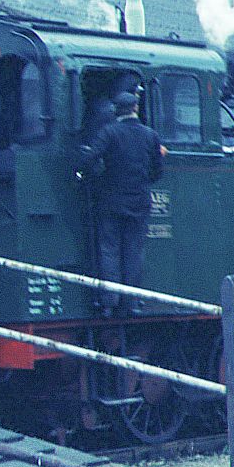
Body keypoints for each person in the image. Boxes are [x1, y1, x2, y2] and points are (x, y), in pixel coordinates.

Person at [78, 90, 163, 311]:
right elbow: (157, 172)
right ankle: (133, 301)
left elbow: (88, 159)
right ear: (135, 108)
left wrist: (99, 177)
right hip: (139, 201)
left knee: (109, 250)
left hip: (111, 201)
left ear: (116, 111)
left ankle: (109, 301)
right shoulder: (150, 135)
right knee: (134, 250)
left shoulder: (109, 132)